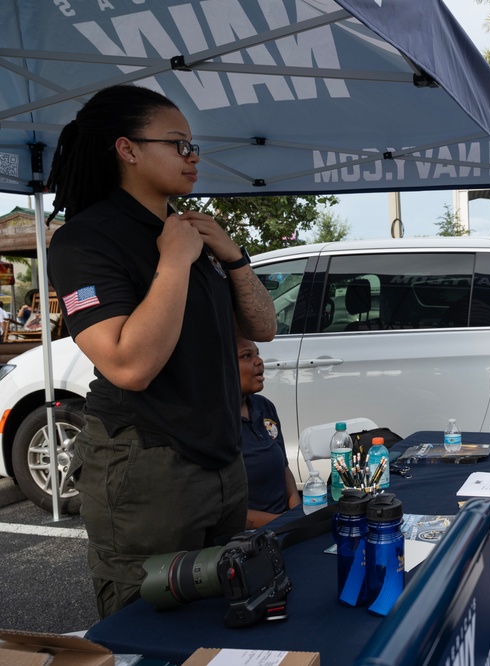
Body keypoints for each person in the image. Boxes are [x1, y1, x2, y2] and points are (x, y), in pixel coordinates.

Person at [45, 84, 277, 618]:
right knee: (149, 621)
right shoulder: (84, 240)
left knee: (231, 608)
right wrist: (172, 263)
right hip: (147, 463)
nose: (193, 157)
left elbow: (261, 328)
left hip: (220, 458)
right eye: (178, 144)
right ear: (127, 149)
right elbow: (129, 365)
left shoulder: (190, 231)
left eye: (194, 146)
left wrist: (234, 258)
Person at [237, 331, 300, 529]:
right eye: (247, 356)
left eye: (257, 353)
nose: (259, 361)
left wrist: (297, 514)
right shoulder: (215, 423)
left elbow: (283, 466)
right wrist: (285, 523)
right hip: (249, 536)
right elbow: (226, 513)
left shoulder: (264, 407)